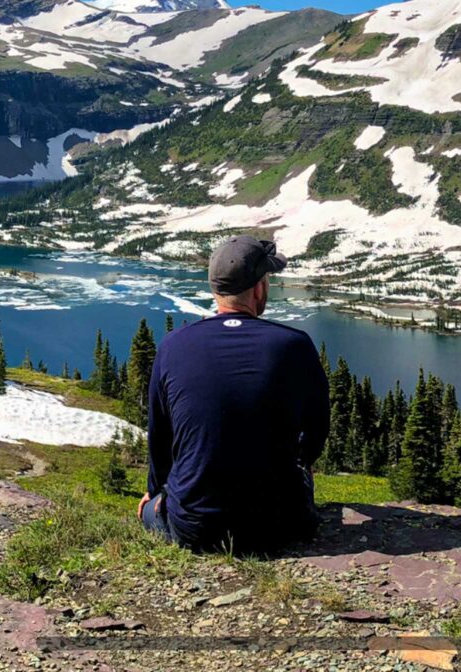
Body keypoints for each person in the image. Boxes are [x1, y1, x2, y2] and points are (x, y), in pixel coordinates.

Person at [138, 235, 330, 554]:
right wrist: (303, 461)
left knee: (150, 509)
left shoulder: (173, 346)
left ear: (216, 290)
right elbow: (318, 427)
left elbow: (159, 436)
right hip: (281, 524)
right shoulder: (295, 345)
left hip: (194, 530)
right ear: (258, 288)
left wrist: (155, 491)